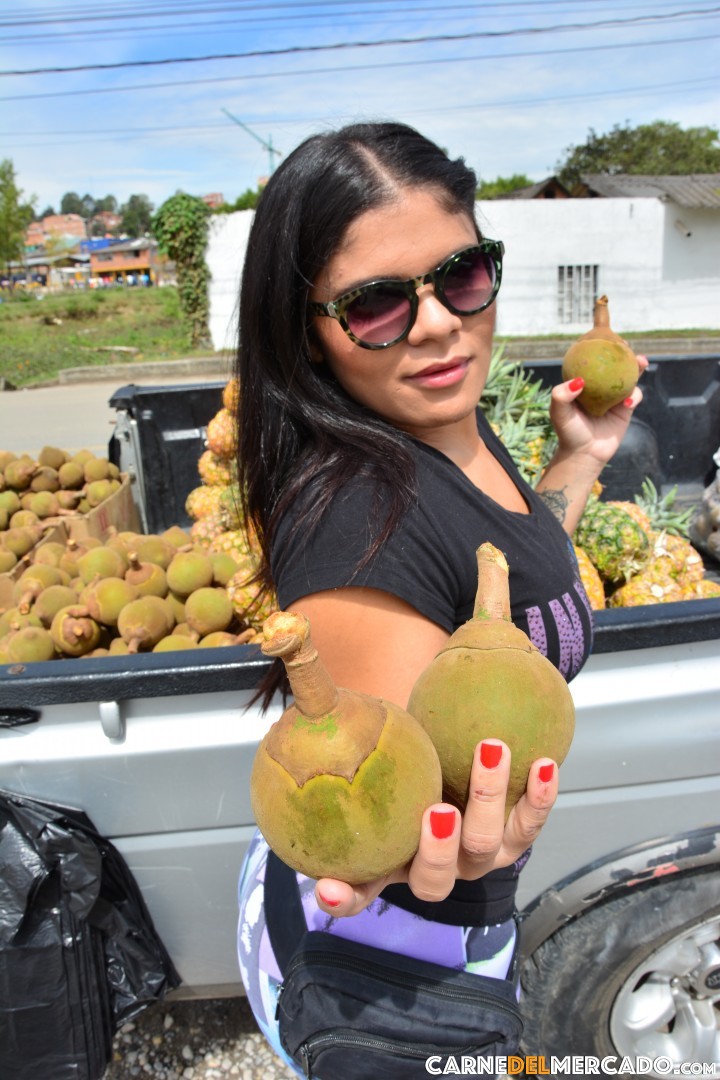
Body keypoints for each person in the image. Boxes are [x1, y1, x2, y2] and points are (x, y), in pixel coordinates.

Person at [234, 120, 644, 1074]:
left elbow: (503, 574)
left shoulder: (444, 423)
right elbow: (388, 831)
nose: (434, 324)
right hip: (391, 958)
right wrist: (435, 848)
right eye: (375, 305)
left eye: (460, 276)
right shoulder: (359, 521)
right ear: (309, 334)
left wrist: (578, 461)